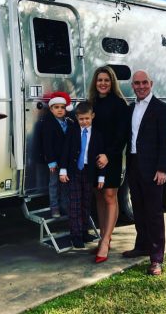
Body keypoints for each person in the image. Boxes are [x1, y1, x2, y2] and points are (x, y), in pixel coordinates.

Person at [123, 70, 166, 276]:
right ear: (132, 86)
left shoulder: (163, 109)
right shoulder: (130, 109)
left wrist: (163, 169)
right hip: (134, 165)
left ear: (151, 84)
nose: (141, 86)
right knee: (138, 209)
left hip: (154, 169)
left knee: (153, 213)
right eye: (137, 83)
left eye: (144, 82)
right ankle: (142, 246)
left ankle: (156, 258)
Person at [88, 66, 129, 262]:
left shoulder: (119, 104)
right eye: (99, 80)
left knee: (110, 195)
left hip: (111, 156)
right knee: (98, 195)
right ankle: (104, 235)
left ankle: (105, 241)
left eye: (106, 80)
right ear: (95, 83)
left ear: (112, 82)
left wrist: (109, 155)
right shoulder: (91, 103)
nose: (102, 83)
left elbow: (122, 135)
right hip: (94, 157)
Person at [59, 101, 106, 252]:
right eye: (81, 119)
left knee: (86, 202)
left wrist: (101, 177)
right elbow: (65, 150)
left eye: (87, 118)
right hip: (74, 172)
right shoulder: (72, 132)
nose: (84, 122)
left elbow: (101, 158)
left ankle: (84, 232)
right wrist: (63, 170)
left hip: (89, 172)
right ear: (77, 118)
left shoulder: (98, 135)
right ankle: (76, 235)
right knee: (75, 204)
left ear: (92, 116)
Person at [41, 91, 73, 218]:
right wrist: (51, 161)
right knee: (54, 184)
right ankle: (54, 208)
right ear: (51, 109)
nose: (60, 110)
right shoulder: (48, 124)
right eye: (56, 107)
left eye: (62, 107)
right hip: (54, 161)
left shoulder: (69, 122)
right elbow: (47, 144)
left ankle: (65, 206)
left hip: (66, 161)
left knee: (65, 184)